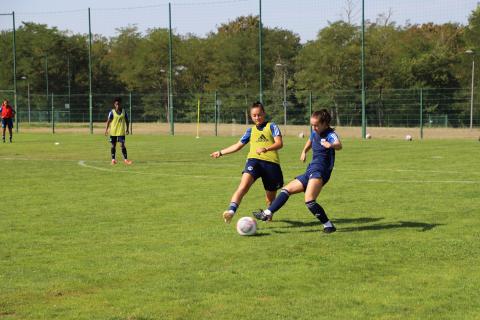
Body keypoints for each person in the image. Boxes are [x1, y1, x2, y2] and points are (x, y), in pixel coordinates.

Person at [253, 109, 342, 233]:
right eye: (312, 125)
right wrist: (304, 151)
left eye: (316, 125)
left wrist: (331, 145)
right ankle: (267, 213)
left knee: (309, 200)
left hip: (320, 171)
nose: (314, 128)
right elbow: (310, 141)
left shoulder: (330, 134)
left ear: (325, 123)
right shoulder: (315, 132)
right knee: (286, 189)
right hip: (311, 169)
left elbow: (339, 144)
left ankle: (328, 225)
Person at [210, 101, 284, 224]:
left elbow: (279, 143)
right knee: (243, 186)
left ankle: (268, 216)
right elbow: (238, 146)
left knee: (270, 199)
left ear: (264, 114)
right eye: (254, 115)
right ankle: (231, 211)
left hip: (271, 164)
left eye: (259, 115)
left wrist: (266, 148)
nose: (257, 117)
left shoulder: (272, 126)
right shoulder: (250, 131)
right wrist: (221, 152)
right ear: (251, 116)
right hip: (254, 161)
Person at [104, 97, 132, 165]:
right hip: (113, 132)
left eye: (119, 104)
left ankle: (126, 160)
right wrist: (106, 130)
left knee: (122, 145)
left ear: (120, 104)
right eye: (116, 104)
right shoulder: (112, 112)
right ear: (114, 104)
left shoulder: (124, 111)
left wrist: (127, 129)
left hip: (121, 132)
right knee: (113, 145)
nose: (118, 105)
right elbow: (108, 121)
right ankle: (113, 160)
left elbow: (127, 121)